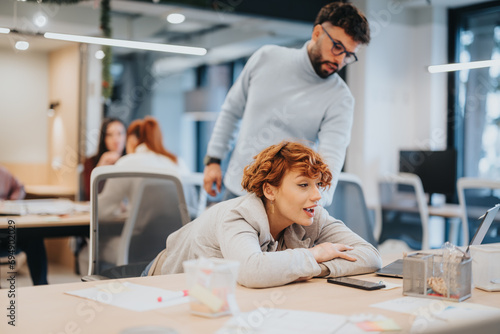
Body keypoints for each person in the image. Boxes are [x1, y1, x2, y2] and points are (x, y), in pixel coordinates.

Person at [145, 141, 381, 288]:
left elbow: (370, 256)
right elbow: (252, 271)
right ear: (270, 190)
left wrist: (315, 267)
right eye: (303, 185)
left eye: (317, 184)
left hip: (218, 292)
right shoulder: (238, 216)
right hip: (162, 284)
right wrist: (315, 254)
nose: (317, 195)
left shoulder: (311, 214)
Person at [203, 2, 370, 205]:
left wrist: (318, 202)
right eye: (337, 47)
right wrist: (213, 161)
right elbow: (231, 110)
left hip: (284, 205)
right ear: (318, 33)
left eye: (349, 55)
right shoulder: (266, 58)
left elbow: (331, 159)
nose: (340, 60)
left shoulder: (340, 98)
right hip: (236, 190)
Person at [0, 165, 47, 285]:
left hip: (6, 226)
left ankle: (41, 285)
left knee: (34, 237)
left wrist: (11, 201)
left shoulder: (3, 173)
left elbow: (19, 188)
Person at [82, 117, 127, 201]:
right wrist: (101, 166)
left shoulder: (131, 162)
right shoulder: (90, 162)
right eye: (110, 135)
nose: (115, 139)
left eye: (120, 133)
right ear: (103, 139)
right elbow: (89, 196)